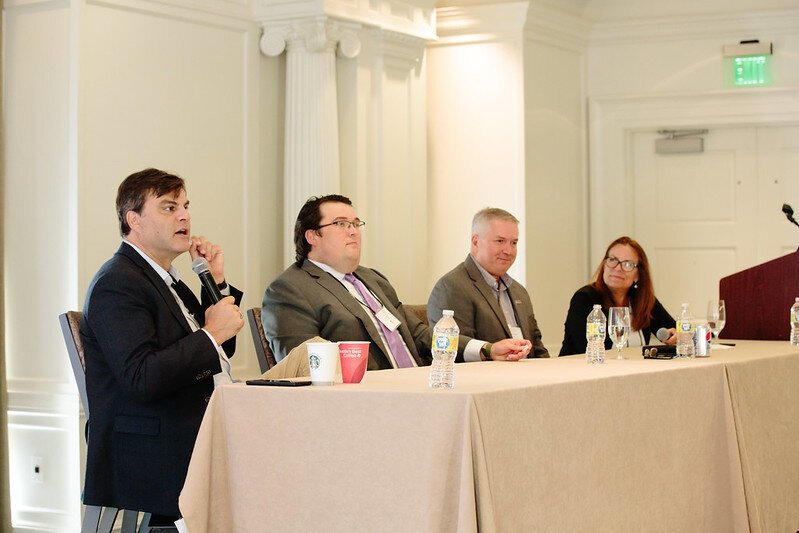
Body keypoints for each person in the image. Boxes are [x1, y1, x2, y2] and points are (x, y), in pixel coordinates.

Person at [79, 168, 244, 521]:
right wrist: (210, 334)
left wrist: (215, 282)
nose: (184, 215)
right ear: (133, 220)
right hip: (153, 445)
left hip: (192, 427)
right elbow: (142, 378)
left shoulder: (164, 278)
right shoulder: (119, 282)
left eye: (185, 206)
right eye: (169, 208)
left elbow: (220, 352)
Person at [262, 195, 532, 370]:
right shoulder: (289, 289)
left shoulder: (372, 279)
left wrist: (485, 349)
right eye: (341, 224)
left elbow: (421, 335)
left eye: (356, 223)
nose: (354, 231)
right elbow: (303, 367)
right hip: (366, 404)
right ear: (312, 236)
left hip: (419, 387)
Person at [427, 208, 549, 359]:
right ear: (476, 242)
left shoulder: (519, 291)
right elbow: (455, 350)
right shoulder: (451, 287)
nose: (508, 251)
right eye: (500, 241)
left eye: (514, 243)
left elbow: (537, 346)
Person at [559, 235, 676, 356]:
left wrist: (674, 336)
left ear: (638, 275)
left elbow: (674, 330)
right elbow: (587, 349)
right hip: (583, 371)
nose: (617, 268)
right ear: (604, 265)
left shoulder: (641, 299)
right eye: (612, 260)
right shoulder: (585, 298)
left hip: (632, 371)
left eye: (627, 264)